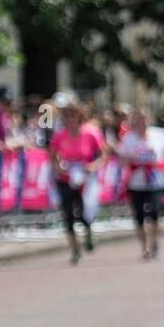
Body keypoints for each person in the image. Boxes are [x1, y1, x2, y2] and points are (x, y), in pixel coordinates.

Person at [48, 98, 105, 264]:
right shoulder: (59, 136)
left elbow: (103, 154)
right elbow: (52, 156)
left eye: (73, 115)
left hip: (85, 180)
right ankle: (75, 251)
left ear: (80, 117)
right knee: (68, 214)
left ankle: (88, 232)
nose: (70, 119)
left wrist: (93, 166)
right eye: (66, 116)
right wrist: (58, 167)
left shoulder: (91, 133)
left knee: (84, 211)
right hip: (65, 179)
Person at [119, 108, 164, 259]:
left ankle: (155, 243)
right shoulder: (128, 138)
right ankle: (144, 248)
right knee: (139, 216)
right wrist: (133, 158)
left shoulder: (160, 134)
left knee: (155, 212)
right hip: (136, 182)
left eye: (144, 119)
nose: (142, 122)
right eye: (138, 119)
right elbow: (122, 160)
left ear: (148, 120)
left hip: (156, 180)